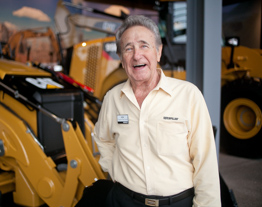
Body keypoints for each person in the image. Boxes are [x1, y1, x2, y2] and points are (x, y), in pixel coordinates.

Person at [93, 15, 221, 207]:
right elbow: (103, 139)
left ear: (158, 52)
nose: (137, 55)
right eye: (128, 48)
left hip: (178, 202)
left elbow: (205, 161)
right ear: (121, 58)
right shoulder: (112, 99)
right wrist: (113, 168)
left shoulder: (188, 95)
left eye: (144, 45)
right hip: (123, 200)